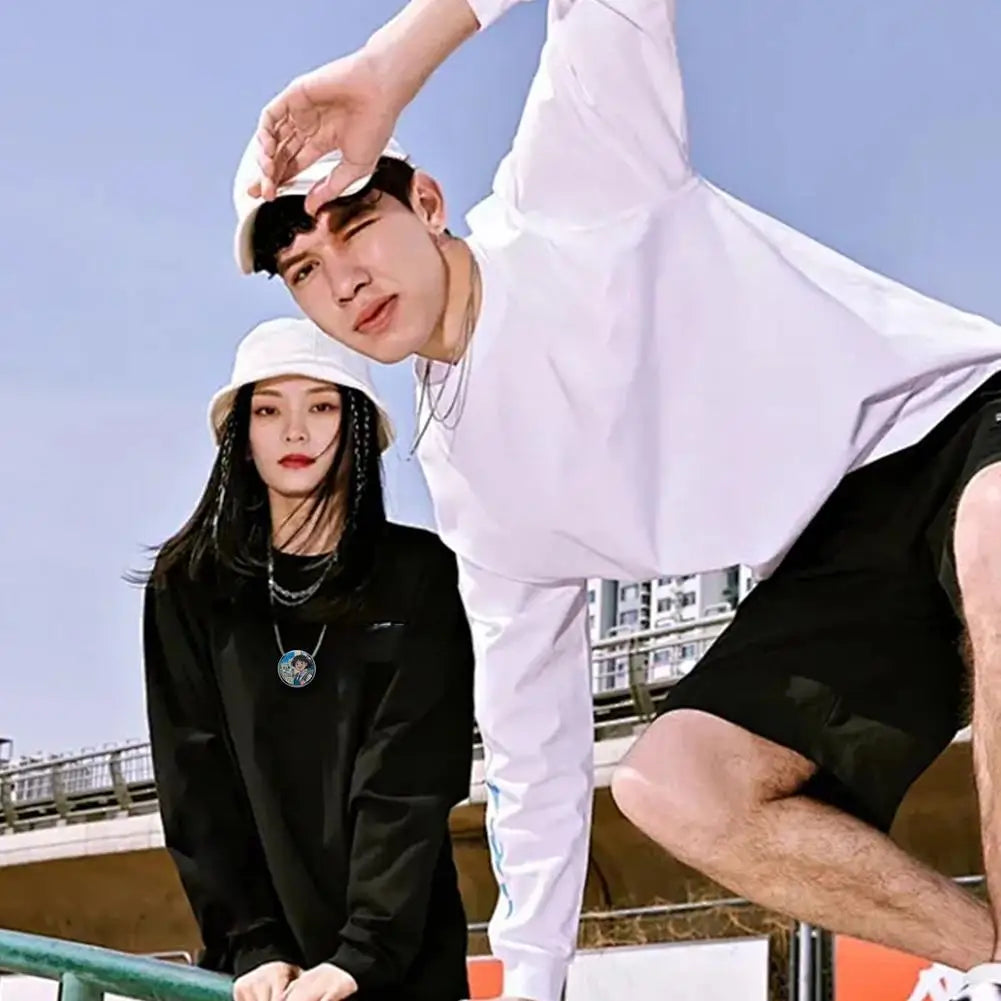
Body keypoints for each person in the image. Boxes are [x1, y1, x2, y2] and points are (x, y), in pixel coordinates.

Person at [229, 3, 1001, 999]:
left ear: (424, 200)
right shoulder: (476, 491)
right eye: (304, 270)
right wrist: (534, 980)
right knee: (672, 784)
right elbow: (532, 749)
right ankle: (988, 960)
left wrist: (389, 65)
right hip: (831, 555)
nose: (344, 281)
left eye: (356, 224)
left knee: (992, 533)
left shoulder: (572, 183)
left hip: (956, 417)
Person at [141, 317, 475, 1001]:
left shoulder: (421, 576)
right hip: (260, 977)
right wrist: (251, 945)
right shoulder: (189, 585)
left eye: (321, 407)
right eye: (268, 411)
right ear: (241, 434)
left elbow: (410, 777)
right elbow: (194, 781)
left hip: (401, 966)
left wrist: (362, 955)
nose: (294, 433)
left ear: (357, 425)